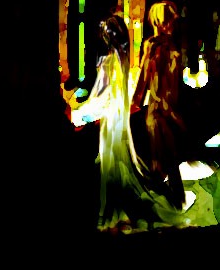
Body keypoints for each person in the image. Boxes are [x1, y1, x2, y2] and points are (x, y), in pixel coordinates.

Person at [71, 14, 187, 231]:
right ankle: (121, 206)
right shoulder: (122, 58)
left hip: (111, 118)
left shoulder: (110, 61)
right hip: (118, 116)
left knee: (114, 162)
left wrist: (83, 110)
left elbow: (102, 93)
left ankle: (114, 208)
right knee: (120, 161)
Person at [131, 0, 188, 209]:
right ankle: (171, 205)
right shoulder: (154, 46)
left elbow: (173, 83)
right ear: (159, 22)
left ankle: (172, 204)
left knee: (167, 161)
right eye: (168, 20)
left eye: (172, 20)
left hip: (167, 110)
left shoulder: (171, 45)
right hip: (158, 111)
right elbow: (143, 79)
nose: (172, 24)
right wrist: (135, 102)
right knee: (163, 161)